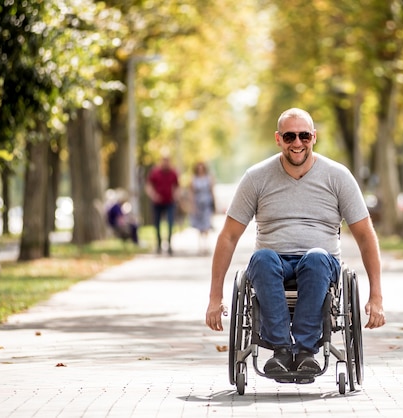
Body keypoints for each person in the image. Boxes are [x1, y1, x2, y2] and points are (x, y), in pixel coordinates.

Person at [205, 108, 385, 377]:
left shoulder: (337, 176)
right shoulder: (257, 177)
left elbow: (365, 235)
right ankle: (280, 350)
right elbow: (229, 236)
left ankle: (305, 351)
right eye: (290, 136)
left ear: (314, 137)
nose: (297, 143)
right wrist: (214, 297)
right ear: (278, 139)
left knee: (315, 257)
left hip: (320, 264)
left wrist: (376, 296)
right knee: (262, 258)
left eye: (303, 136)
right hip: (272, 263)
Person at [145, 151, 179, 255]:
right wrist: (154, 196)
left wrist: (176, 196)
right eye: (164, 160)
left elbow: (177, 187)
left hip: (170, 202)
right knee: (157, 223)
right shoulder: (155, 172)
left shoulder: (173, 173)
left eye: (167, 160)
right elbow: (148, 186)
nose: (166, 162)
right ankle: (159, 244)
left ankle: (169, 244)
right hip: (157, 202)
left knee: (170, 223)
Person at [189, 161, 216, 255]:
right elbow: (191, 193)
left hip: (207, 203)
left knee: (207, 225)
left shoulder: (209, 178)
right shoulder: (193, 179)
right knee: (199, 227)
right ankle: (200, 246)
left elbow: (212, 191)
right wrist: (193, 205)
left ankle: (206, 246)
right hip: (198, 203)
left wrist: (214, 203)